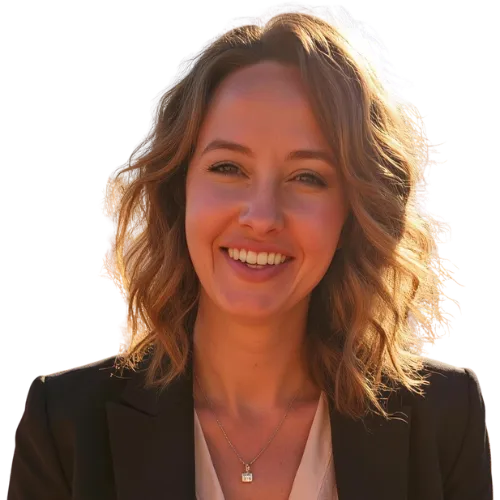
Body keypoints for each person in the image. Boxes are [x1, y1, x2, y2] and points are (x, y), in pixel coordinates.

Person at [8, 5, 493, 500]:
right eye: (228, 168)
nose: (262, 217)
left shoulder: (443, 420)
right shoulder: (65, 426)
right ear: (180, 191)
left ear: (352, 213)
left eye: (307, 177)